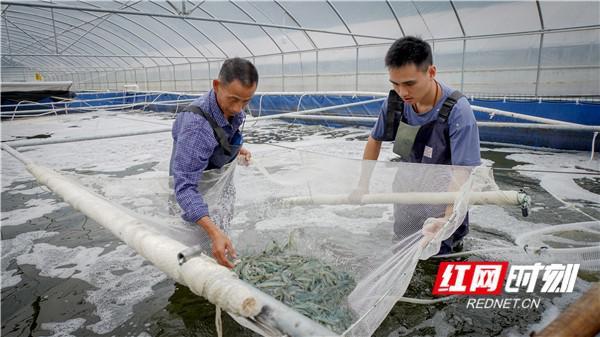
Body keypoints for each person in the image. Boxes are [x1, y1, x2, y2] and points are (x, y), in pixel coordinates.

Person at [356, 36, 481, 254]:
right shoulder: (396, 102)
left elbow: (462, 172)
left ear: (431, 72)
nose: (402, 92)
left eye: (409, 83)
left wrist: (447, 218)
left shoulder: (458, 111)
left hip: (443, 198)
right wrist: (362, 184)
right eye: (395, 83)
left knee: (440, 256)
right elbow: (374, 140)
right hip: (406, 192)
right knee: (402, 247)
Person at [170, 58, 257, 268]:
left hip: (218, 193)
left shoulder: (229, 108)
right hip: (193, 204)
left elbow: (223, 136)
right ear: (217, 85)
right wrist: (213, 231)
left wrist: (236, 150)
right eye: (234, 99)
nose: (238, 109)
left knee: (220, 244)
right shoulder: (196, 127)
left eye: (246, 101)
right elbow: (184, 188)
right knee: (196, 261)